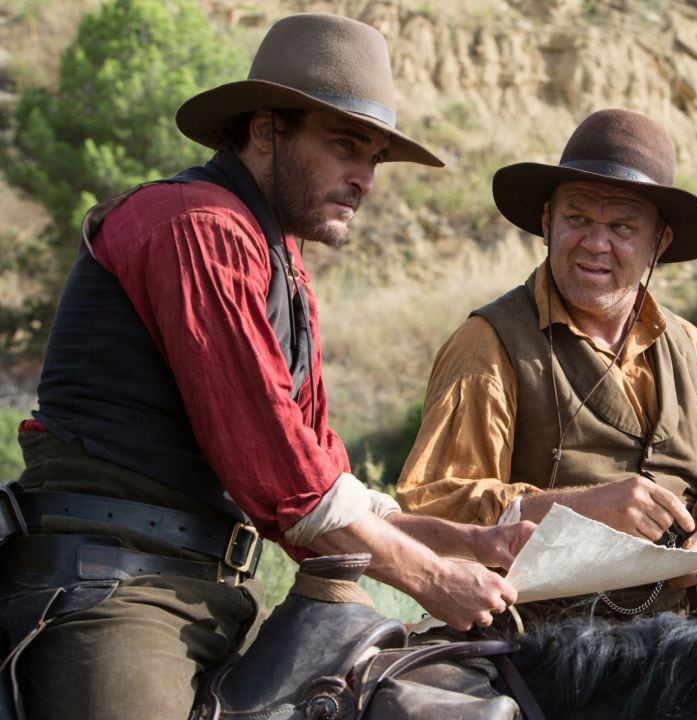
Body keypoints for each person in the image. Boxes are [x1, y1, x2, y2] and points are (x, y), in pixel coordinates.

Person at [0, 13, 532, 720]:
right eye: (346, 146)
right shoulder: (196, 228)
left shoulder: (280, 261)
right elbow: (286, 484)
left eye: (374, 158)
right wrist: (433, 576)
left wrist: (466, 540)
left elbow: (323, 479)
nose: (365, 179)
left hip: (214, 594)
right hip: (114, 590)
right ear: (263, 130)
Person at [398, 108, 697, 620]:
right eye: (577, 218)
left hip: (685, 636)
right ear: (546, 223)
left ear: (658, 243)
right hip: (540, 643)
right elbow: (435, 505)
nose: (596, 243)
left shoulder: (689, 348)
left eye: (622, 226)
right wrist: (579, 509)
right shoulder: (488, 343)